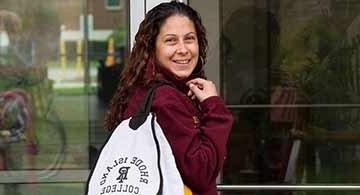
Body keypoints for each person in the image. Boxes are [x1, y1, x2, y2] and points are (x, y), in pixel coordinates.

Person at [104, 1, 233, 194]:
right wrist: (213, 106)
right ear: (152, 48)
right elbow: (201, 171)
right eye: (171, 41)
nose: (183, 49)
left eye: (189, 39)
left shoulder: (143, 88)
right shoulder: (165, 99)